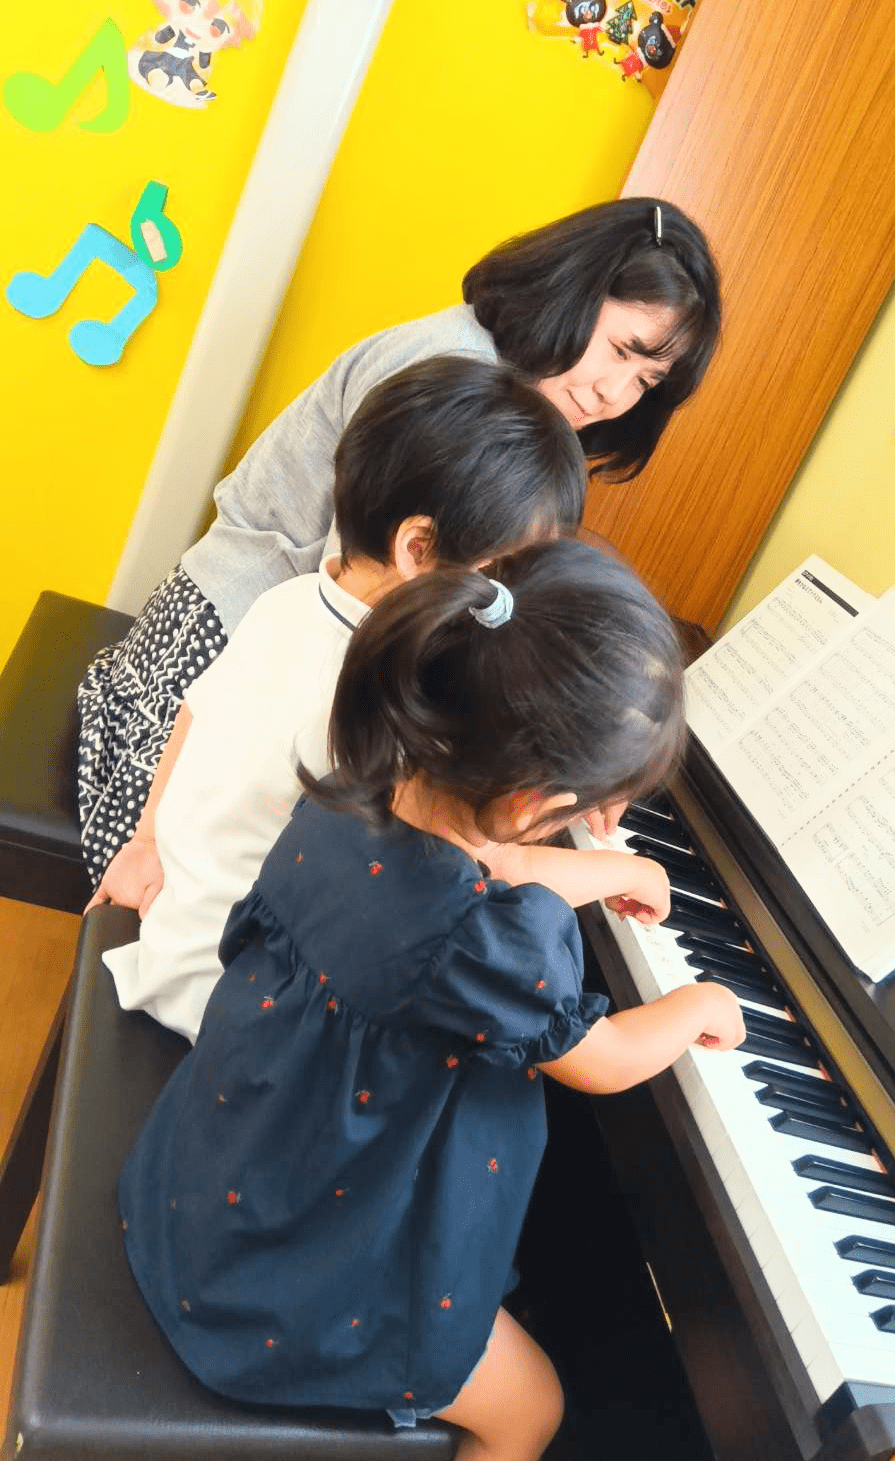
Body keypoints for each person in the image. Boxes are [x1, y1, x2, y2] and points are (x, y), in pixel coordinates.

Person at [117, 540, 746, 1461]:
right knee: (534, 1411)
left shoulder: (350, 794)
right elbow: (606, 1060)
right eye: (590, 806)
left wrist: (619, 868)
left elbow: (498, 860)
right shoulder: (474, 942)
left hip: (205, 1186)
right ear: (531, 800)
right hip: (283, 1291)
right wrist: (700, 1002)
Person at [77, 196, 722, 888]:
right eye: (621, 350)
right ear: (574, 290)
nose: (614, 394)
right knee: (404, 887)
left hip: (287, 668)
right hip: (219, 660)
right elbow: (390, 624)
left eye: (646, 380)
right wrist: (569, 754)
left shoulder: (508, 398)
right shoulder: (456, 377)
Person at [92, 354, 587, 1044]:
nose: (516, 603)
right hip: (245, 1005)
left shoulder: (289, 599)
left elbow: (192, 714)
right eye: (505, 579)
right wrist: (625, 866)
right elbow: (482, 867)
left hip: (174, 940)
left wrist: (146, 839)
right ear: (417, 548)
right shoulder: (384, 694)